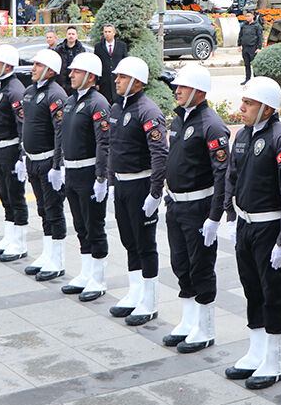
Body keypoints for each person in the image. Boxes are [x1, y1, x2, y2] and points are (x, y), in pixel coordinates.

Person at [224, 77, 281, 389]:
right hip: (246, 224)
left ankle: (274, 360)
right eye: (244, 102)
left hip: (270, 227)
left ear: (267, 108)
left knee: (272, 292)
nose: (242, 108)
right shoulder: (243, 135)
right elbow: (232, 177)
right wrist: (230, 216)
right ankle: (256, 351)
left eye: (249, 103)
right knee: (252, 289)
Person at [162, 64, 229, 353]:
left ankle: (205, 329)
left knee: (201, 267)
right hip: (176, 205)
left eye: (183, 87)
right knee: (181, 264)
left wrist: (215, 217)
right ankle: (189, 321)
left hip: (199, 207)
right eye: (177, 86)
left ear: (200, 92)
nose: (177, 91)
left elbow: (222, 174)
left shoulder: (211, 125)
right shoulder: (180, 119)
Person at [106, 56, 168, 324]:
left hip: (140, 184)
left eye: (122, 77)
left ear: (136, 81)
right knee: (129, 240)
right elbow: (112, 147)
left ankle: (150, 301)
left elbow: (160, 154)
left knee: (145, 244)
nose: (117, 81)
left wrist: (155, 192)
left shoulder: (148, 111)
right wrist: (111, 181)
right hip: (121, 184)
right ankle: (135, 293)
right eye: (117, 76)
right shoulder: (116, 107)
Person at [58, 52, 112, 297]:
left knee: (94, 226)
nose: (71, 75)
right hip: (72, 171)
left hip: (89, 172)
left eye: (76, 71)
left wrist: (101, 177)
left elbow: (104, 142)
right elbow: (62, 135)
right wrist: (59, 165)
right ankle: (86, 272)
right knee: (80, 225)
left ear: (90, 76)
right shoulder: (71, 101)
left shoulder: (98, 103)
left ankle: (98, 279)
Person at [20, 50, 68, 278]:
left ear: (50, 70)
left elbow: (60, 132)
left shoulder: (55, 95)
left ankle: (57, 260)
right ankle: (48, 253)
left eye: (38, 65)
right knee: (42, 209)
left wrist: (58, 165)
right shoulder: (29, 92)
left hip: (48, 161)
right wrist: (23, 155)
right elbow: (25, 126)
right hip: (33, 160)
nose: (33, 68)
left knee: (53, 210)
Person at [0, 45, 28, 262]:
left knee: (15, 196)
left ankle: (19, 242)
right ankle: (9, 237)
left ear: (8, 66)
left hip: (10, 149)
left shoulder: (15, 90)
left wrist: (22, 156)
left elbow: (22, 125)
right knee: (5, 196)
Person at [92, 23, 127, 103]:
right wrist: (96, 82)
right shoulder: (98, 47)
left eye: (109, 32)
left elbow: (125, 63)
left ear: (114, 33)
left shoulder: (122, 46)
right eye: (105, 32)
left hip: (117, 81)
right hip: (104, 82)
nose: (107, 34)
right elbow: (96, 65)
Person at [54, 26, 86, 95]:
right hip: (62, 83)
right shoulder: (59, 49)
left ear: (77, 36)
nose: (71, 36)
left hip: (76, 83)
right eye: (69, 34)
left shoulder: (81, 50)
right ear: (66, 35)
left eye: (73, 34)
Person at [238, 11, 264, 85]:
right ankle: (247, 79)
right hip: (245, 47)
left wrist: (259, 48)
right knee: (246, 64)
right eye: (246, 16)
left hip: (253, 47)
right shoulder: (244, 25)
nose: (247, 17)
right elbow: (240, 35)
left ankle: (256, 80)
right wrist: (239, 45)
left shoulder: (257, 26)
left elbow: (260, 37)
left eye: (249, 16)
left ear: (253, 16)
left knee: (254, 64)